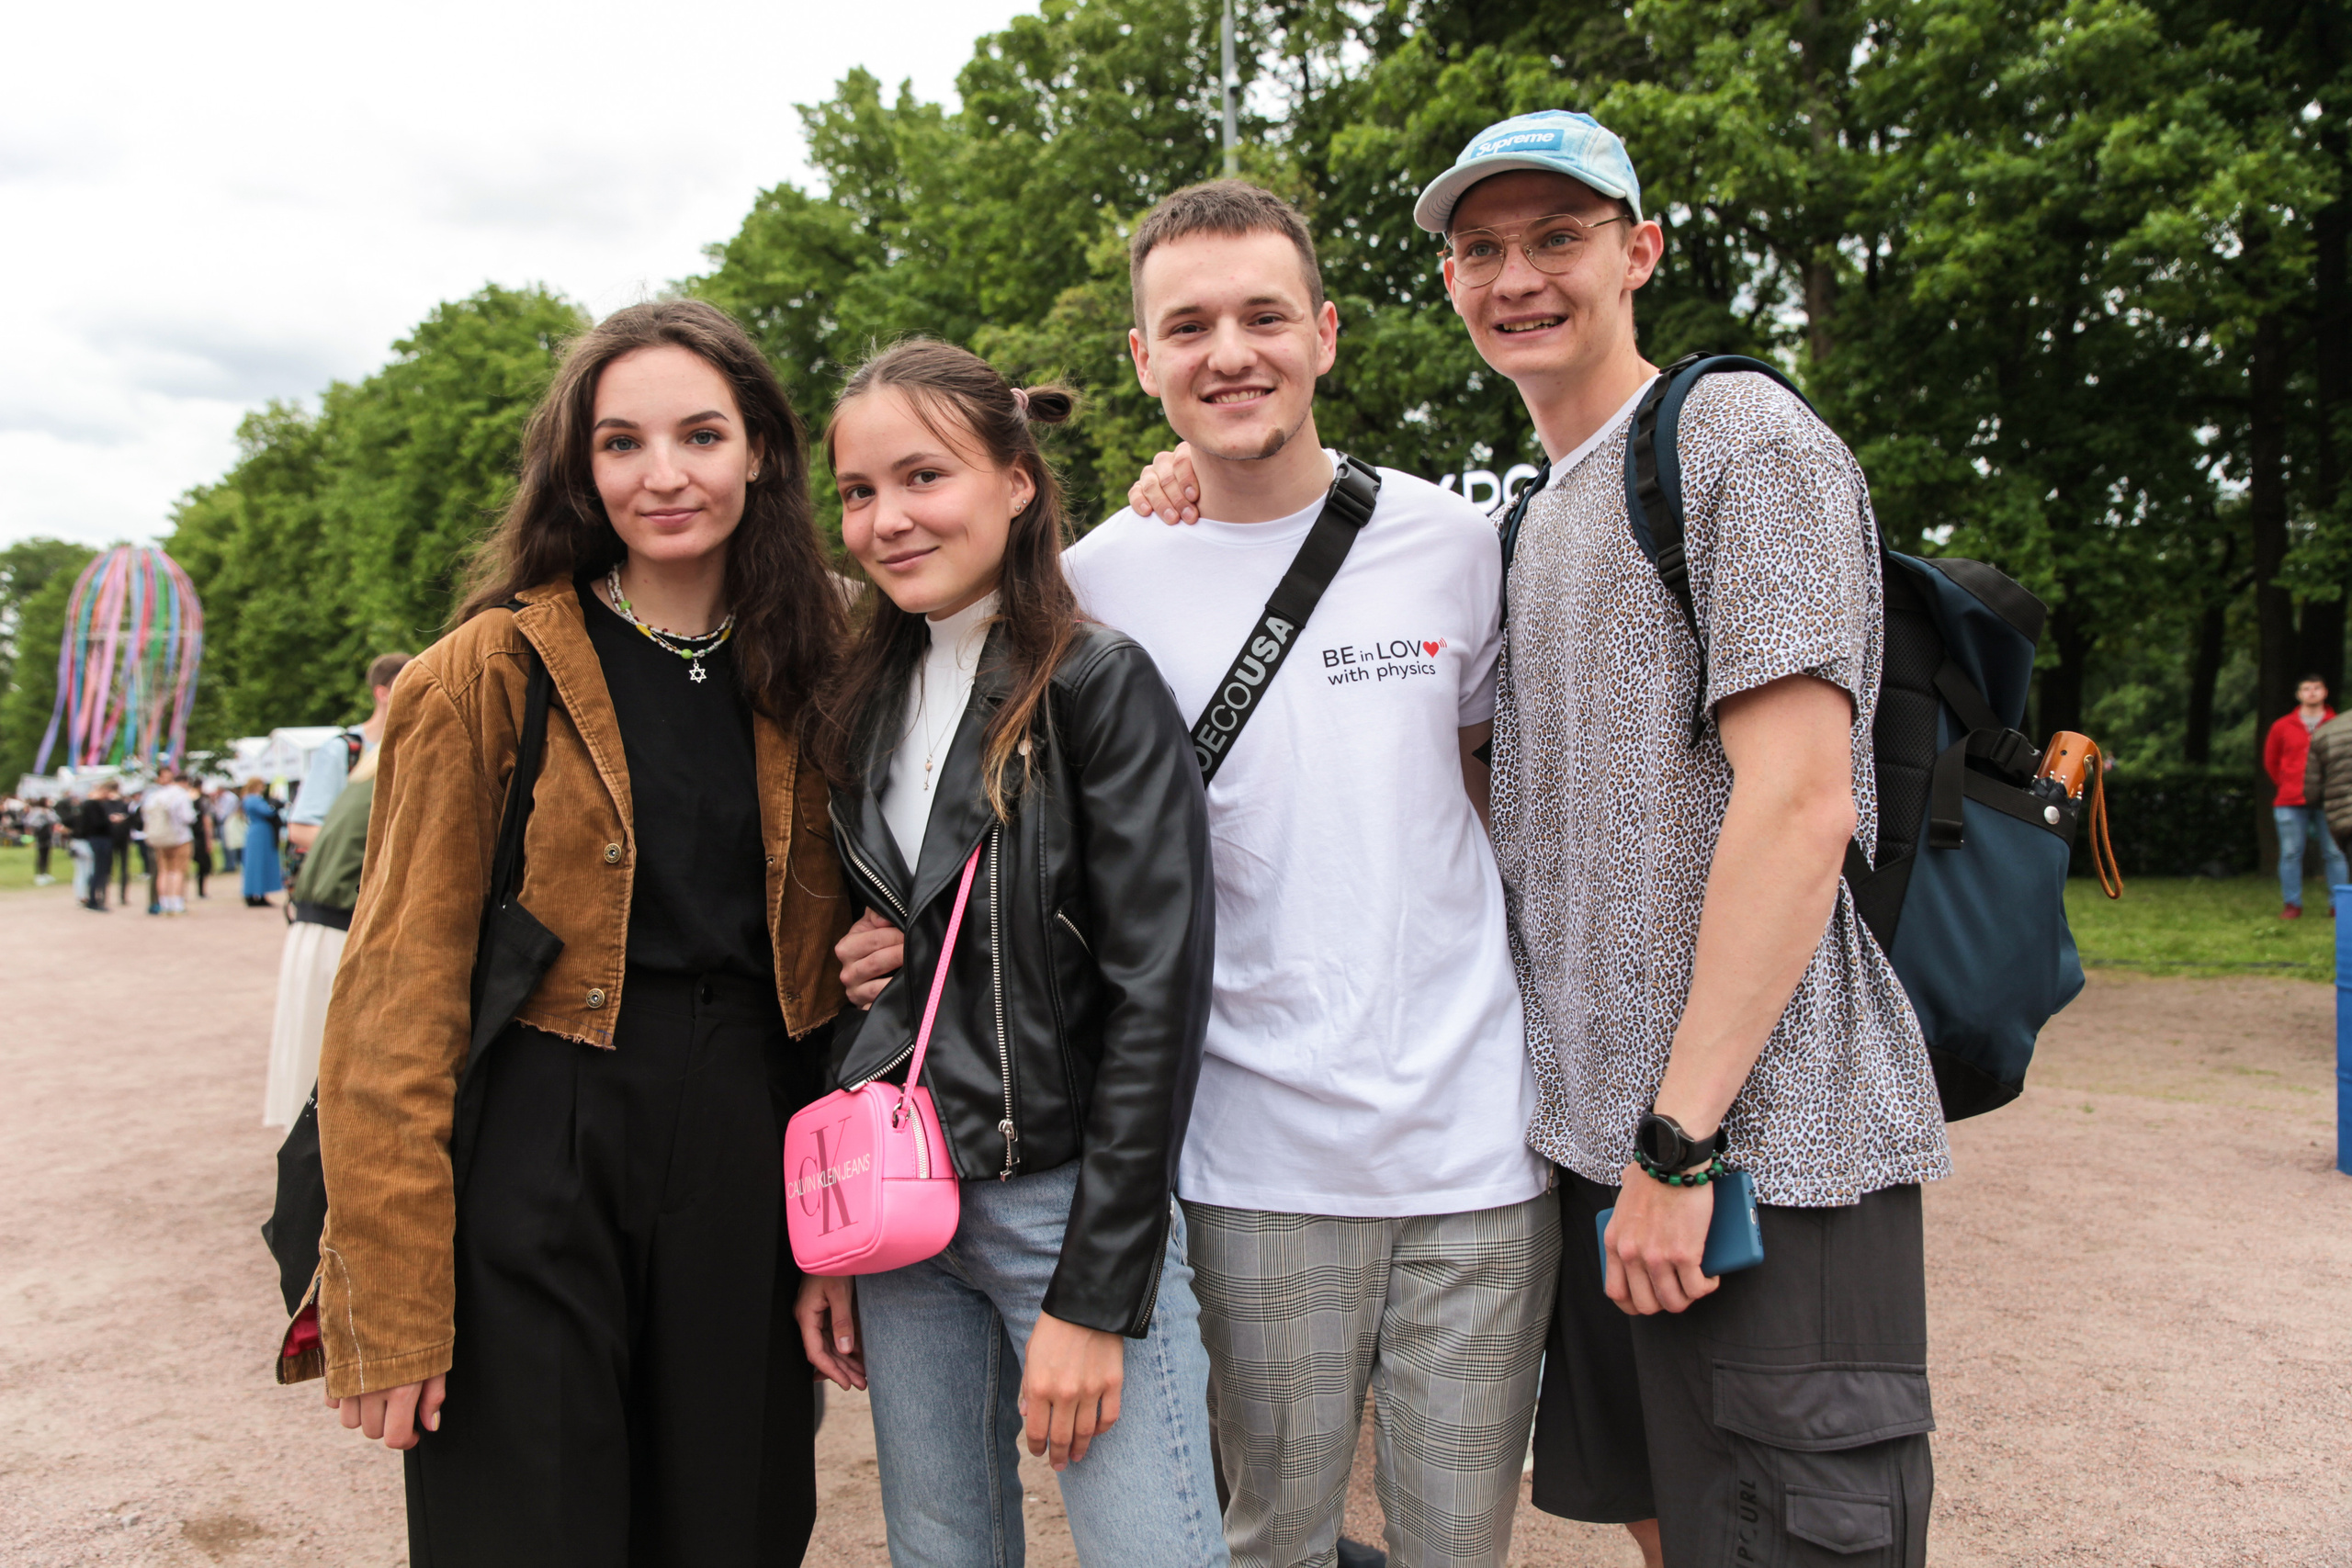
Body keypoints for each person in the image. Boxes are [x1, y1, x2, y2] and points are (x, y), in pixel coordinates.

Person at [1433, 110, 1942, 1566]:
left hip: (1757, 1152)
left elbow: (1801, 801)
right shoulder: (1541, 509)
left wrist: (1682, 1140)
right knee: (1678, 1530)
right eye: (1483, 249)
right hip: (1606, 1148)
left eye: (1558, 237)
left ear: (1639, 250)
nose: (1517, 274)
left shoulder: (1739, 436)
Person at [282, 299, 853, 1568]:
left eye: (701, 434)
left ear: (760, 446)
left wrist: (1173, 486)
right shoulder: (486, 670)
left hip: (744, 1133)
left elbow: (1005, 568)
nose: (664, 474)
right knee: (527, 1528)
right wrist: (389, 1292)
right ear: (578, 467)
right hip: (544, 1129)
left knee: (737, 1522)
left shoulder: (833, 650)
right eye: (622, 442)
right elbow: (396, 992)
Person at [1069, 180, 1558, 1568]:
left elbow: (1483, 780)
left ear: (1326, 334)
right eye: (1191, 325)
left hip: (1478, 1144)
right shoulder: (1098, 580)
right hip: (1252, 1154)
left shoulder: (1454, 541)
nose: (1232, 352)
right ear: (1143, 357)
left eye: (1264, 315)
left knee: (1455, 1544)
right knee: (1270, 1538)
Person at [800, 340, 1225, 1568]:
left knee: (1157, 1548)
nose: (888, 518)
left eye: (923, 476)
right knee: (942, 1548)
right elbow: (899, 943)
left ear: (1018, 481)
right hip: (900, 1202)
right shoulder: (859, 695)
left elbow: (1159, 993)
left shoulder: (1095, 681)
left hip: (1064, 1200)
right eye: (860, 490)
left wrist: (1098, 1290)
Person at [263, 653, 412, 1128]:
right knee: (331, 1078)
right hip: (340, 919)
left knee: (315, 1064)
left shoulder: (376, 757)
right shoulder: (373, 752)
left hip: (327, 915)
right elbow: (304, 830)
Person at [287, 652, 411, 855]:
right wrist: (369, 856)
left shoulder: (415, 747)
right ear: (382, 694)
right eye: (409, 686)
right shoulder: (341, 750)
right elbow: (300, 829)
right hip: (357, 883)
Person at [2265, 675, 2346, 919]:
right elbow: (2271, 761)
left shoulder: (2339, 724)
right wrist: (2289, 784)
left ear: (2325, 692)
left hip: (2329, 800)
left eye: (2316, 688)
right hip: (2290, 801)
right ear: (2298, 695)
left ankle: (2338, 905)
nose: (2311, 692)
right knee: (2291, 853)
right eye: (2306, 689)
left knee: (2335, 853)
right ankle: (2292, 904)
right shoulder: (2282, 726)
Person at [142, 764, 198, 915]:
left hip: (160, 837)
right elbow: (188, 817)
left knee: (163, 870)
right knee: (178, 870)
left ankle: (164, 901)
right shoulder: (180, 795)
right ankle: (176, 902)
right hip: (179, 836)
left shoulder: (153, 796)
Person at [75, 783, 125, 912]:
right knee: (99, 869)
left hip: (99, 839)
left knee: (100, 870)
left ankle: (94, 898)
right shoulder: (92, 805)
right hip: (99, 840)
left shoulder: (95, 805)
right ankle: (93, 899)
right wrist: (111, 820)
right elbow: (96, 824)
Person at [239, 780, 282, 907]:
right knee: (257, 864)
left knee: (262, 864)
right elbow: (268, 811)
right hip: (259, 833)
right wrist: (275, 804)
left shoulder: (251, 798)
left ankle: (260, 893)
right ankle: (253, 893)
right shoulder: (252, 799)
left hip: (261, 833)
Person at [26, 798, 59, 886]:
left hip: (48, 833)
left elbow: (55, 819)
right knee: (41, 854)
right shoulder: (36, 811)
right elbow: (29, 821)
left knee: (47, 854)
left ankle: (46, 873)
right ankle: (39, 874)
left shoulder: (49, 811)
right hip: (40, 833)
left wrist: (48, 813)